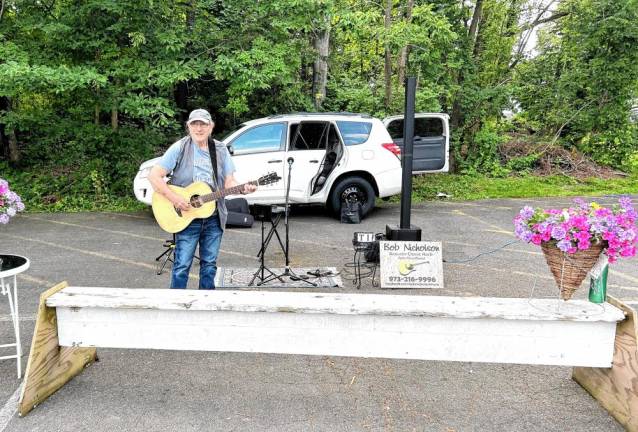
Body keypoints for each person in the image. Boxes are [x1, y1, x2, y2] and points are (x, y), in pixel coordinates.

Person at [148, 109, 256, 289]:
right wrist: (175, 199)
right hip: (186, 216)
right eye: (194, 124)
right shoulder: (180, 147)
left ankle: (206, 305)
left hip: (213, 217)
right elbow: (154, 176)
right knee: (182, 265)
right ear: (188, 127)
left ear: (211, 126)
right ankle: (177, 306)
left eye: (203, 124)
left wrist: (243, 189)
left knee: (209, 266)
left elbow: (229, 182)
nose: (199, 128)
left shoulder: (220, 150)